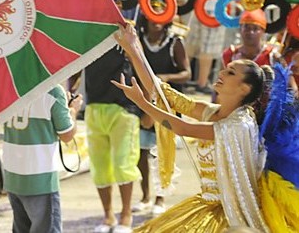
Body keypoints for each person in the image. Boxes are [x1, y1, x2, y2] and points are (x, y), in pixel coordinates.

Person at [112, 23, 272, 232]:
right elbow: (163, 94)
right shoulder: (211, 111)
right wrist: (134, 49)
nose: (222, 72)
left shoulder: (239, 124)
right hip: (205, 205)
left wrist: (142, 103)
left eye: (231, 73)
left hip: (228, 218)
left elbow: (183, 128)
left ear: (244, 89)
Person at [77, 18, 142, 233]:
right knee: (99, 165)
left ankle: (126, 215)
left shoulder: (126, 32)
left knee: (124, 163)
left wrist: (148, 105)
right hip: (95, 105)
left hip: (123, 107)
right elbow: (77, 65)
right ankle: (108, 215)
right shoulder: (87, 32)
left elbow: (142, 66)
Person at [3, 85, 83, 233]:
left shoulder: (10, 86)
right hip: (40, 179)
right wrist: (73, 111)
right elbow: (66, 134)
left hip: (13, 175)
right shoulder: (53, 90)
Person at [133, 13, 190, 215]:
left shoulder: (175, 42)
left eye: (161, 15)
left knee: (164, 150)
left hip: (168, 104)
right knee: (140, 151)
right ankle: (145, 196)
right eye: (152, 15)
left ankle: (160, 197)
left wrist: (163, 78)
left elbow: (186, 73)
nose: (156, 21)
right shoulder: (137, 40)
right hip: (143, 99)